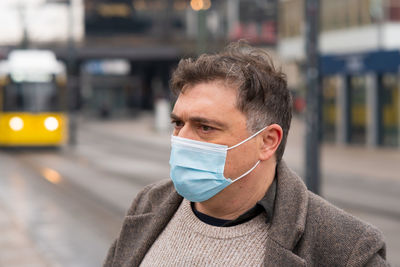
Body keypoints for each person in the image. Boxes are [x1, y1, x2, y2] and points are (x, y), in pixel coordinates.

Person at [104, 42, 388, 266]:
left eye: (205, 127)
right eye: (178, 123)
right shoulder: (147, 205)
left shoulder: (348, 249)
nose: (181, 140)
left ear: (267, 141)